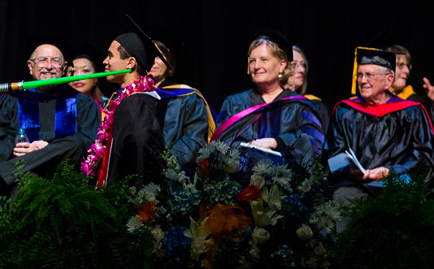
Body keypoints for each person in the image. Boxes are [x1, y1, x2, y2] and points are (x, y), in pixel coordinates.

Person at [0, 44, 100, 203]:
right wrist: (20, 145)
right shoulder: (12, 100)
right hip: (16, 181)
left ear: (64, 67)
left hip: (64, 178)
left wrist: (46, 149)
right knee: (28, 179)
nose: (48, 66)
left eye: (55, 61)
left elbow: (90, 145)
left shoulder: (82, 103)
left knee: (76, 143)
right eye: (42, 60)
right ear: (30, 66)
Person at [106, 29, 215, 183]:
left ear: (170, 62)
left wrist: (157, 165)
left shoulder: (187, 97)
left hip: (173, 179)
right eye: (149, 55)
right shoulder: (124, 98)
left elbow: (193, 144)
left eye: (159, 56)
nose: (153, 61)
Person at [328, 48, 434, 202]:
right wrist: (349, 170)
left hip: (397, 182)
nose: (362, 81)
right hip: (356, 184)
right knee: (341, 196)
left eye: (369, 75)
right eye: (360, 75)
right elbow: (333, 155)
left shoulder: (412, 112)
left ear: (388, 80)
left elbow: (424, 159)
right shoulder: (345, 111)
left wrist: (390, 172)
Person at [211, 31, 324, 167]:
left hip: (289, 183)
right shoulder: (234, 103)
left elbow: (314, 145)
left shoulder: (299, 106)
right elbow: (218, 147)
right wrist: (247, 150)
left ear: (282, 65)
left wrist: (277, 142)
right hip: (241, 182)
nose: (256, 66)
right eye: (252, 61)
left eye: (264, 60)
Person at [80, 32, 161, 186]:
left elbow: (138, 159)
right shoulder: (125, 100)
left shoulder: (138, 103)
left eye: (110, 56)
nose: (104, 61)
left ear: (130, 63)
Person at [385, 45, 434, 121]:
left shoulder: (415, 104)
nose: (406, 71)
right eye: (400, 65)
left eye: (408, 66)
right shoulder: (372, 101)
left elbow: (431, 130)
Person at [285, 45, 330, 134]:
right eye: (294, 65)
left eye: (303, 65)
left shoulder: (313, 105)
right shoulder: (265, 104)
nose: (302, 70)